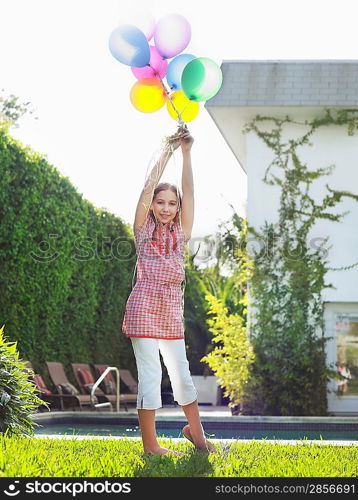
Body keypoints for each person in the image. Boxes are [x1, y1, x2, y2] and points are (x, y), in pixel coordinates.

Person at [122, 125, 215, 456]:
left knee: (183, 376)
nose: (164, 207)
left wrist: (188, 153)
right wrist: (169, 149)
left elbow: (190, 193)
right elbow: (147, 188)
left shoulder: (182, 233)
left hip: (170, 310)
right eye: (160, 203)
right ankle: (151, 447)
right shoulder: (142, 230)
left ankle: (199, 440)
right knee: (151, 375)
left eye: (170, 203)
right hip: (144, 305)